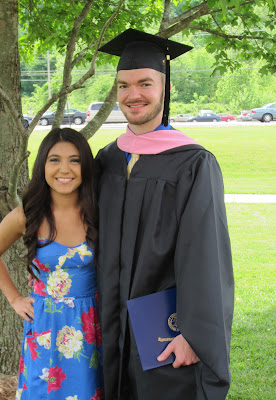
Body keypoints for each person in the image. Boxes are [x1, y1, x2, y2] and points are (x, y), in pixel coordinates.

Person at [95, 29, 234, 399]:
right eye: (123, 85)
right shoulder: (106, 159)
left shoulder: (193, 163)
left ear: (164, 87)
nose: (133, 95)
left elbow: (206, 257)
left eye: (145, 83)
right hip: (109, 324)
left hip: (165, 330)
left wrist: (193, 334)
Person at [0, 128, 104, 400]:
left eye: (74, 160)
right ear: (42, 166)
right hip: (46, 326)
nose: (65, 169)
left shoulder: (98, 210)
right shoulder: (27, 214)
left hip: (92, 323)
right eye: (54, 160)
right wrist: (14, 299)